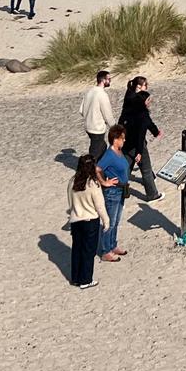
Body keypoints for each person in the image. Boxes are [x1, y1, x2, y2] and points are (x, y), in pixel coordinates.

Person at [64, 155, 106, 288]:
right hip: (90, 221)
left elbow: (70, 202)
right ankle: (86, 279)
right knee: (89, 251)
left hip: (76, 220)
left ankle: (76, 277)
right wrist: (106, 221)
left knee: (77, 249)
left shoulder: (72, 181)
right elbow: (100, 205)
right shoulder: (93, 183)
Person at [121, 75, 162, 201]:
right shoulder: (140, 111)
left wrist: (155, 132)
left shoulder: (132, 104)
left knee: (126, 165)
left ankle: (122, 191)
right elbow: (140, 134)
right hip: (135, 142)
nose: (150, 102)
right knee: (146, 168)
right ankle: (152, 194)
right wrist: (139, 151)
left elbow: (147, 123)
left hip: (125, 139)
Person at [99, 125, 131, 262]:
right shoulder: (109, 154)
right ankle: (106, 251)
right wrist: (104, 182)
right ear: (115, 139)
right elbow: (97, 169)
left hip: (121, 190)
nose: (124, 141)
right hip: (112, 191)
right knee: (109, 222)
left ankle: (112, 245)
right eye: (122, 138)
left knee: (116, 221)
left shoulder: (119, 151)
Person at [78, 69, 114, 161]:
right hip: (97, 129)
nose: (110, 81)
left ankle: (101, 168)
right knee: (94, 153)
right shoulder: (102, 94)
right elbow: (107, 114)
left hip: (88, 127)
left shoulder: (89, 92)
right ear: (103, 80)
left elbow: (81, 110)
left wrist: (89, 117)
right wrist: (114, 127)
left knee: (102, 147)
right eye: (109, 79)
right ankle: (88, 171)